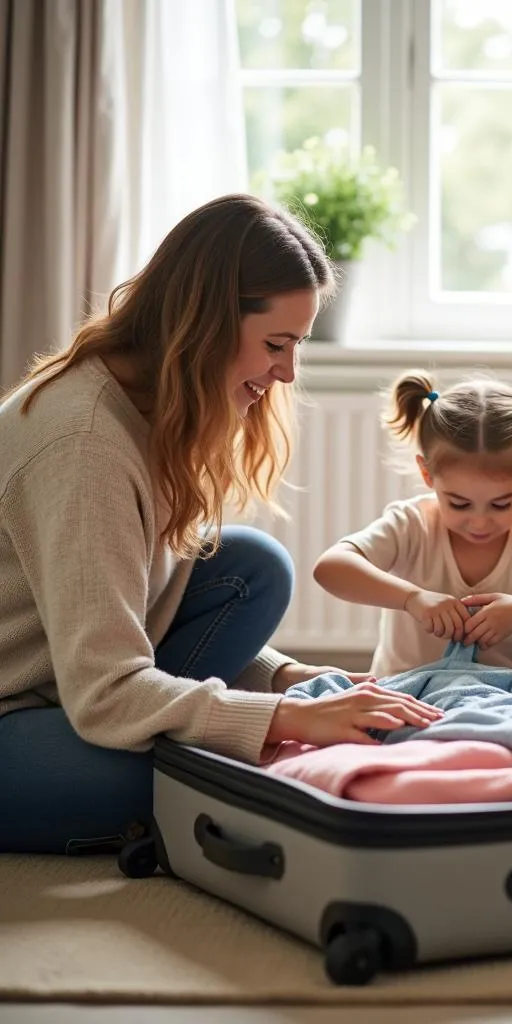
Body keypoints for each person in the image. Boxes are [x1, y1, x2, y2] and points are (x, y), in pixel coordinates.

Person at [0, 195, 442, 856]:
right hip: (21, 718)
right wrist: (283, 719)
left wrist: (286, 679)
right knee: (221, 769)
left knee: (251, 568)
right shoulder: (85, 446)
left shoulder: (149, 404)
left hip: (69, 689)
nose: (288, 372)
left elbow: (157, 600)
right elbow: (106, 690)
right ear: (204, 323)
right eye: (275, 344)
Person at [313, 371, 512, 685]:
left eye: (501, 504)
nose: (480, 522)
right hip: (409, 691)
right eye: (459, 504)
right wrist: (412, 598)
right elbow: (331, 567)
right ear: (426, 473)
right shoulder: (411, 524)